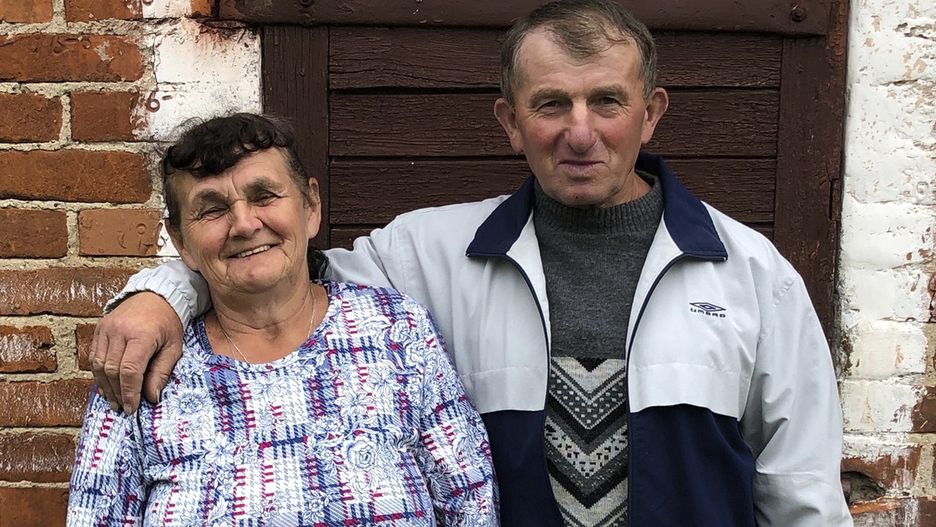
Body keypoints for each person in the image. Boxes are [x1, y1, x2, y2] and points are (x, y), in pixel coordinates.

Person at [89, 1, 853, 525]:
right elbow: (270, 269)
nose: (579, 132)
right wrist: (160, 293)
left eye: (607, 102)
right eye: (550, 104)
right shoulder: (429, 255)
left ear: (650, 112)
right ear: (510, 121)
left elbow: (803, 497)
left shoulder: (752, 274)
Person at [68, 114, 498, 526]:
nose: (244, 224)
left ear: (310, 206)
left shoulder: (396, 331)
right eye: (212, 209)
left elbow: (471, 503)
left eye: (264, 196)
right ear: (180, 241)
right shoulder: (143, 363)